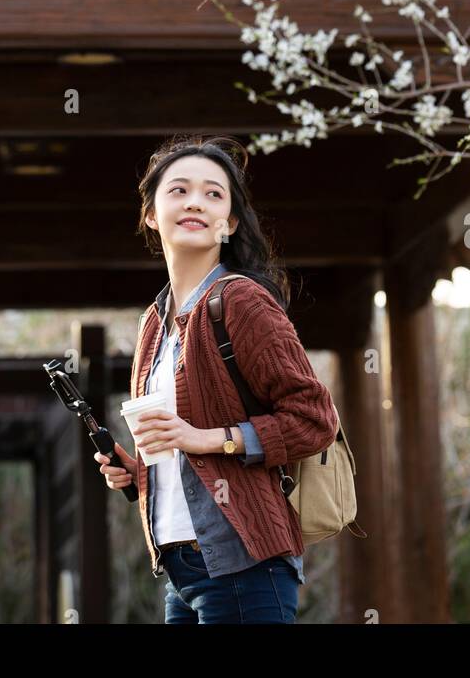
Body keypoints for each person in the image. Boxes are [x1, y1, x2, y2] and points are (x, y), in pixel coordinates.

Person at [94, 134, 338, 624]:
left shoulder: (240, 301)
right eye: (179, 190)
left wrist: (207, 439)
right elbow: (185, 462)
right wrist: (135, 472)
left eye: (213, 194)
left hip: (244, 563)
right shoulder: (153, 323)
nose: (196, 203)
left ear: (227, 224)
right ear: (149, 214)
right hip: (179, 568)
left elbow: (314, 419)